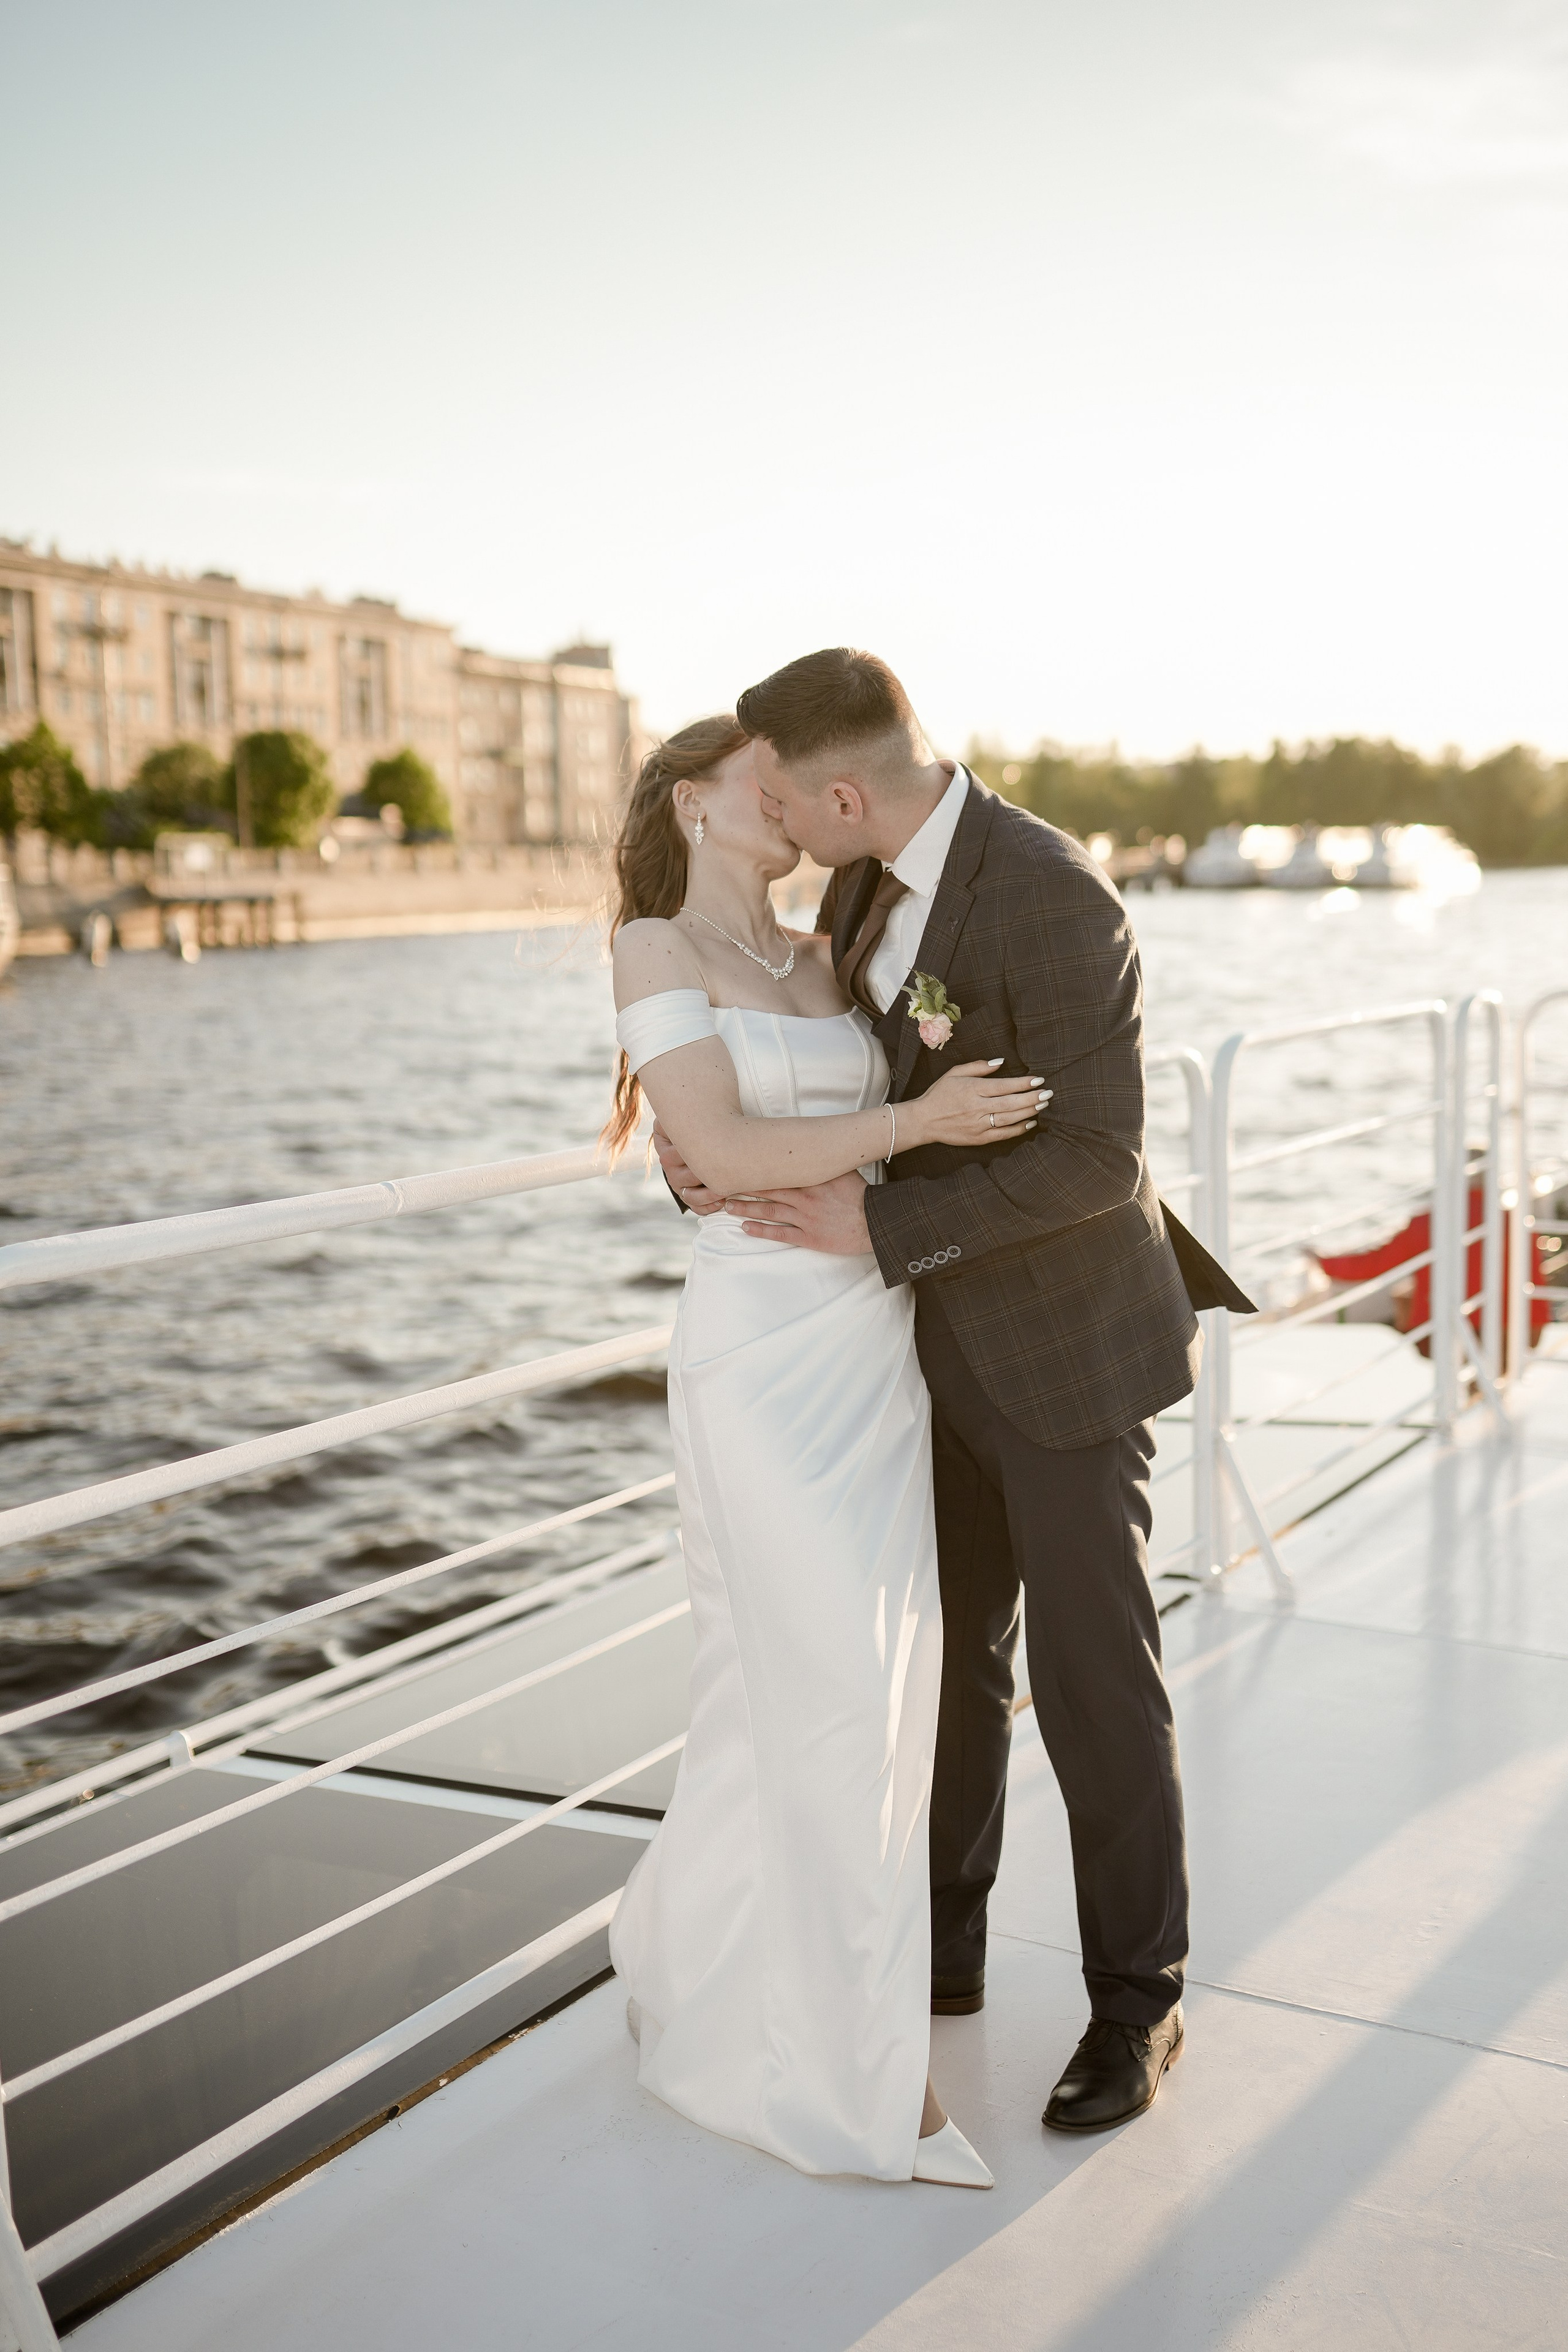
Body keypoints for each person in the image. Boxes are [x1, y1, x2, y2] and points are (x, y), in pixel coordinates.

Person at [657, 649, 1244, 2135]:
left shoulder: (1051, 892)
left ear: (844, 792)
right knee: (952, 1666)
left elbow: (1095, 1156)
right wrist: (711, 1150)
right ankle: (946, 1945)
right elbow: (842, 1081)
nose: (782, 823)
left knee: (1093, 1678)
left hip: (1056, 1347)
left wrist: (878, 1223)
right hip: (903, 1350)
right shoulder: (857, 887)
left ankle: (1139, 2002)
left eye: (790, 797)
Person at [604, 714, 1046, 2188]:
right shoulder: (654, 955)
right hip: (757, 1357)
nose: (791, 802)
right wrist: (907, 1114)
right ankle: (853, 2069)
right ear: (696, 803)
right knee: (831, 1693)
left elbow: (848, 1149)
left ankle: (696, 1960)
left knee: (823, 1690)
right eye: (762, 782)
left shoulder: (828, 948)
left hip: (871, 1342)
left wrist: (900, 1138)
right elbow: (718, 1155)